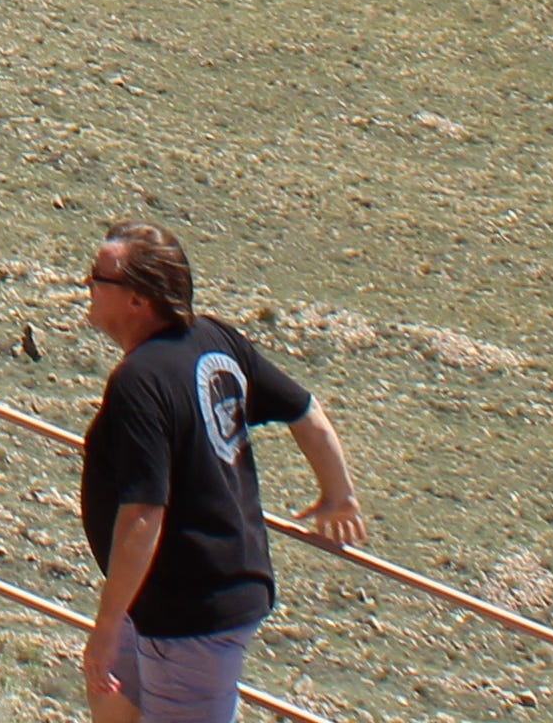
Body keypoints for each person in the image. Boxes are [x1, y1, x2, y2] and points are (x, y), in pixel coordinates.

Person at [77, 221, 363, 723]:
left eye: (97, 278)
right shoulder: (214, 340)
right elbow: (307, 413)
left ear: (138, 299)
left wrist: (103, 626)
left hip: (191, 614)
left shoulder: (139, 382)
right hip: (160, 597)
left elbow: (144, 515)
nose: (87, 286)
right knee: (112, 704)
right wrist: (338, 494)